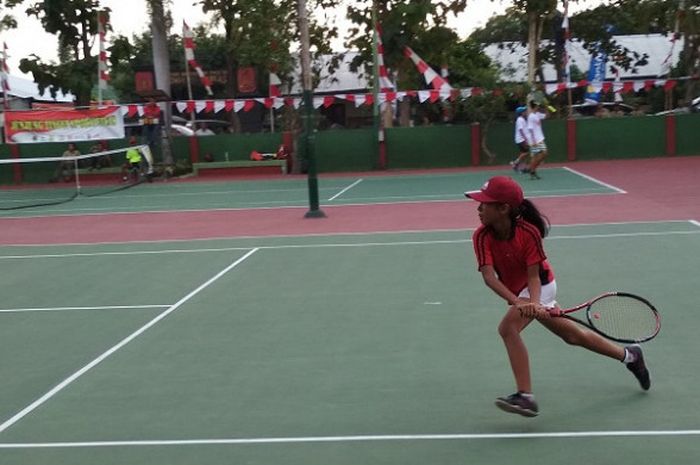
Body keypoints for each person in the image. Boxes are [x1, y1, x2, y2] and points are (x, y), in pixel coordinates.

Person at [464, 176, 651, 418]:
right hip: (520, 293)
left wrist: (532, 301)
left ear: (503, 209)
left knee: (508, 329)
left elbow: (534, 276)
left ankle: (525, 396)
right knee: (572, 336)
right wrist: (520, 302)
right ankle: (630, 356)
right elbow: (489, 278)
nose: (478, 208)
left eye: (485, 204)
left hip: (542, 286)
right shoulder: (481, 236)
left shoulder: (528, 233)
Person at [526, 101, 551, 180]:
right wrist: (533, 141)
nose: (538, 107)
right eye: (537, 106)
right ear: (535, 106)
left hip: (540, 138)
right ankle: (532, 170)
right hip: (535, 140)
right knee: (541, 154)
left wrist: (547, 108)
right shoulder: (531, 116)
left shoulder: (537, 114)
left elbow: (547, 116)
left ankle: (532, 170)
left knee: (541, 155)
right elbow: (530, 129)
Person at [509, 106, 530, 173]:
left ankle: (522, 167)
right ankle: (515, 163)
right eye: (524, 111)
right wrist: (525, 139)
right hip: (521, 139)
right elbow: (521, 130)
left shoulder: (522, 119)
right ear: (521, 113)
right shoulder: (520, 119)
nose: (525, 112)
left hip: (522, 139)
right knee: (526, 153)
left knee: (524, 153)